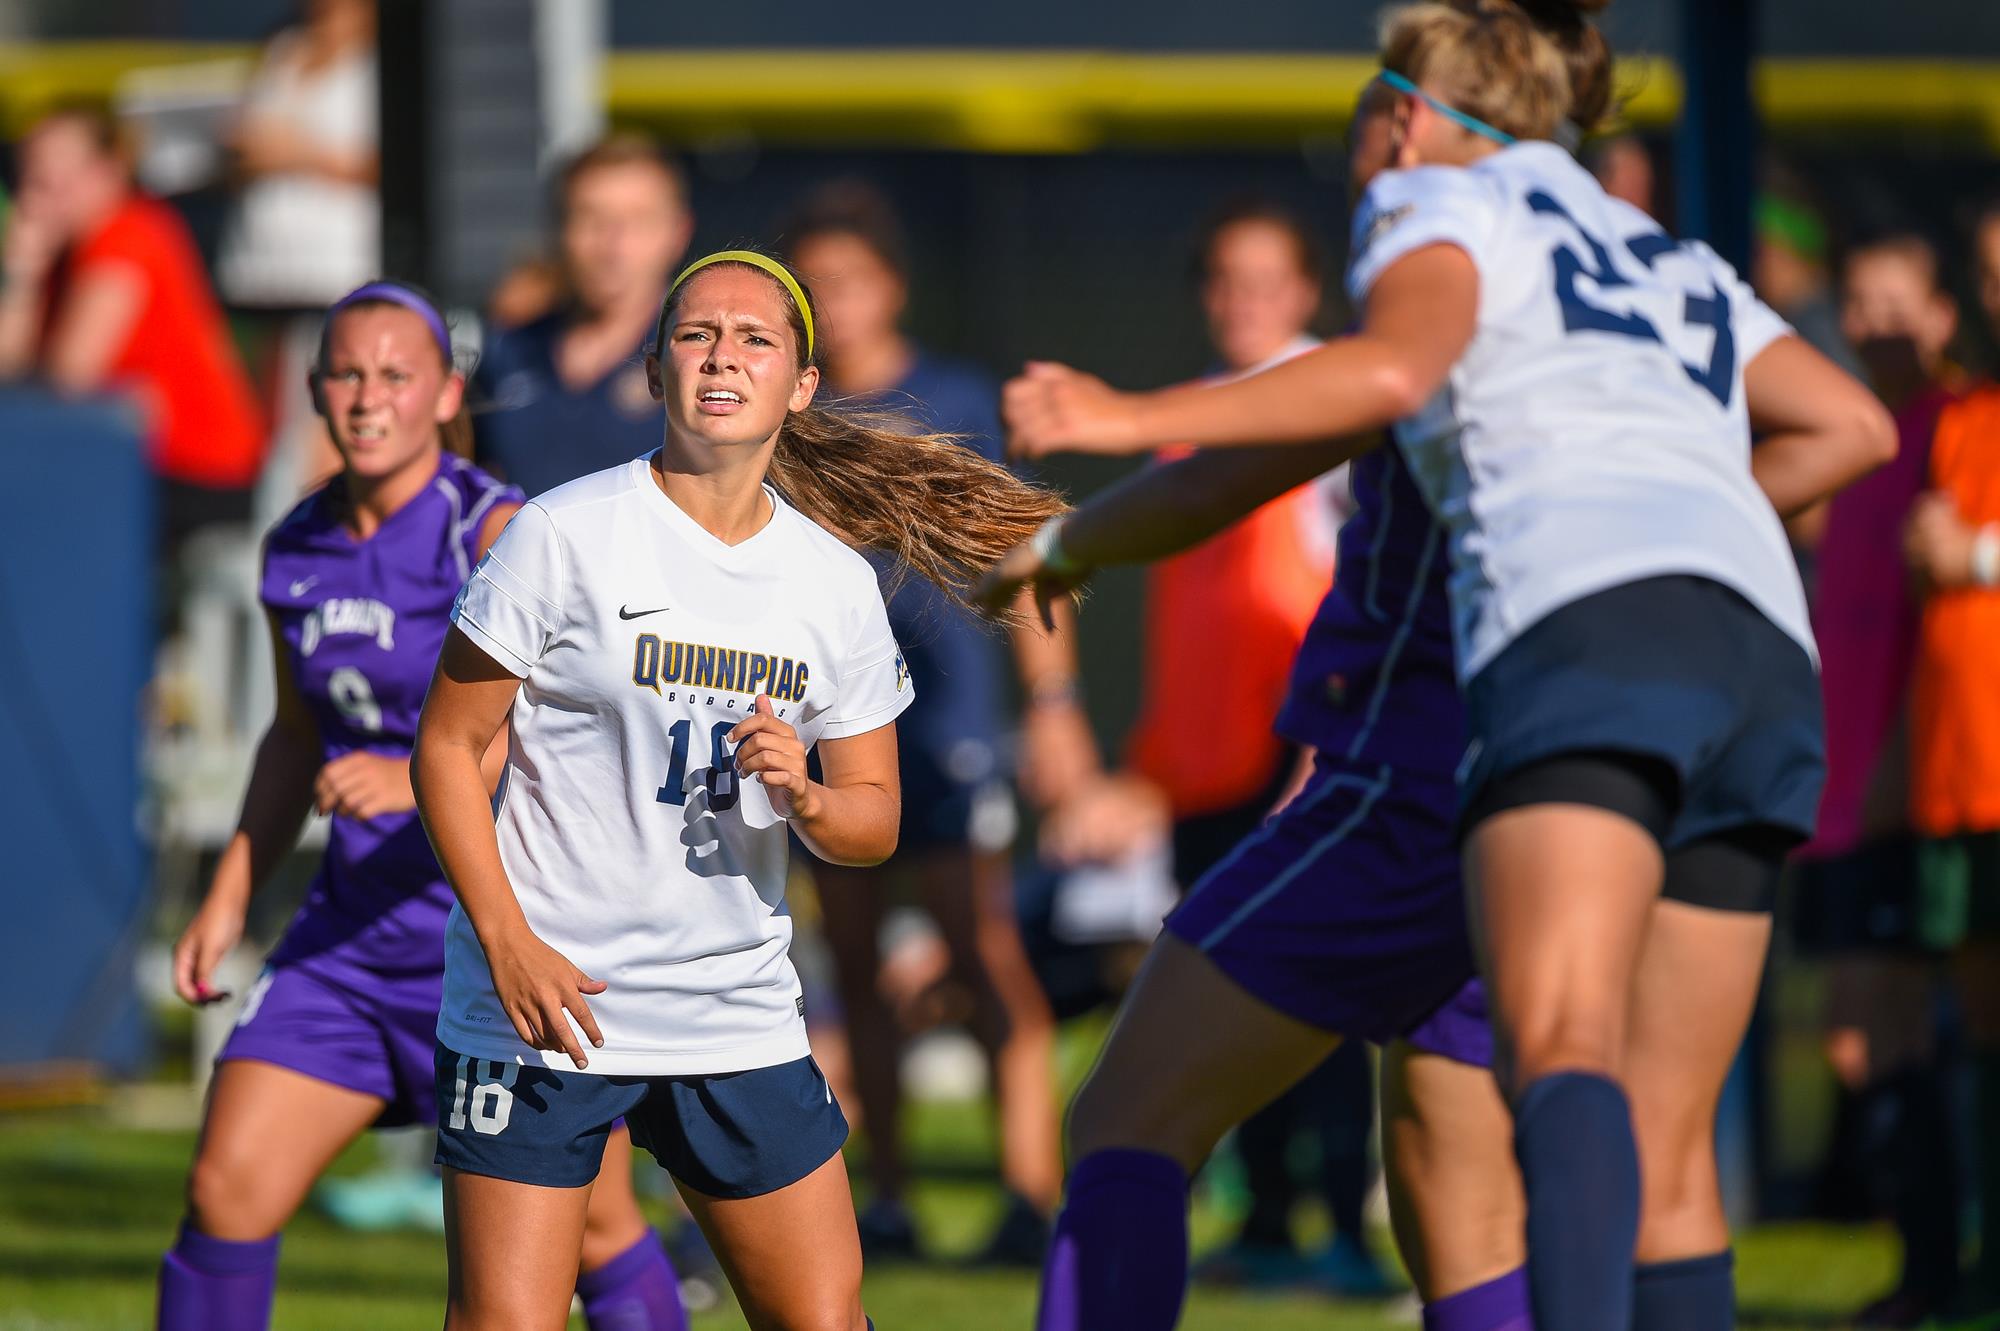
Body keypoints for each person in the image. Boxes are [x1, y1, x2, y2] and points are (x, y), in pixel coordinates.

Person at [995, 3, 1896, 1327]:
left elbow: (1361, 386)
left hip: (1472, 746)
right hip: (1748, 664)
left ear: (1405, 116)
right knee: (1539, 1156)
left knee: (1135, 1109)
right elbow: (1854, 423)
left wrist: (1118, 422)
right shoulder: (1662, 260)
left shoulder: (1437, 210)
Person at [412, 249, 1064, 1331]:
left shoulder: (833, 581)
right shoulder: (561, 534)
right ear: (656, 368)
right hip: (545, 1006)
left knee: (822, 1317)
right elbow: (445, 747)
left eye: (754, 337)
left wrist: (806, 797)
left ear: (800, 384)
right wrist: (504, 939)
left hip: (731, 1013)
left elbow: (871, 820)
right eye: (696, 333)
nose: (723, 355)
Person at [158, 282, 684, 1331]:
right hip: (350, 944)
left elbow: (571, 731)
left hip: (500, 939)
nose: (367, 398)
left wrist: (416, 775)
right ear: (313, 388)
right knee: (225, 1187)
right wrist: (229, 892)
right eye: (346, 373)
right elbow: (294, 735)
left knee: (594, 1225)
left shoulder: (499, 530)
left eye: (395, 375)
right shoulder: (296, 546)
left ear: (445, 393)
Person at [783, 181, 1074, 1261]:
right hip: (828, 723)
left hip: (946, 716)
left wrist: (1054, 709)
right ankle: (889, 1194)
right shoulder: (787, 417)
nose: (838, 304)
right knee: (851, 960)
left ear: (891, 288)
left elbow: (1030, 550)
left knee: (981, 948)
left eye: (852, 283)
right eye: (815, 288)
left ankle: (1027, 1195)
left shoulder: (950, 396)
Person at [1125, 196, 1386, 1296]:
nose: (1241, 301)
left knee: (1317, 1003)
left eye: (1263, 279)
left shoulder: (1329, 400)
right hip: (1208, 774)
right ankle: (1272, 1216)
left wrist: (1319, 756)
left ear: (1305, 291)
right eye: (1223, 280)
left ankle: (1342, 1229)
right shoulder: (1203, 415)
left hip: (1301, 762)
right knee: (1232, 1002)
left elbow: (1358, 588)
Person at [1792, 227, 1966, 1328]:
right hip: (1839, 789)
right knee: (1859, 1031)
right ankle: (1925, 1261)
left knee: (1892, 1025)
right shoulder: (1855, 438)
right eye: (1855, 302)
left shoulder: (1951, 434)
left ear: (1946, 314)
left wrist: (1903, 769)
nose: (1870, 324)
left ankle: (1934, 1268)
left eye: (1896, 302)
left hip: (1907, 787)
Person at [0, 106, 264, 558]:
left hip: (196, 474)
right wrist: (21, 273)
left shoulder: (129, 234)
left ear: (110, 171)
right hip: (123, 468)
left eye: (60, 174)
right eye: (34, 175)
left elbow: (72, 374)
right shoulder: (62, 257)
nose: (42, 192)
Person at [1895, 199, 2000, 1323]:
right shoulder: (1957, 414)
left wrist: (1970, 552)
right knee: (1974, 1030)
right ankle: (1978, 1266)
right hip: (1958, 774)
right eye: (1985, 270)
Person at [472, 134, 693, 499]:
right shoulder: (507, 350)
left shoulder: (701, 359)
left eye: (639, 221)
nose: (613, 245)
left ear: (678, 233)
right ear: (558, 229)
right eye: (591, 218)